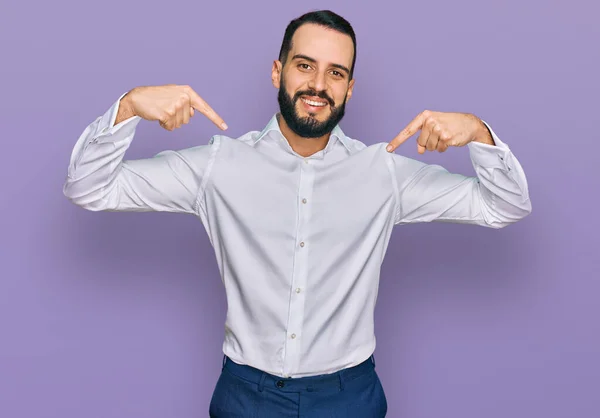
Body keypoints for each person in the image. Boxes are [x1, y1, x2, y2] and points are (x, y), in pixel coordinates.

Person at [62, 9, 532, 418]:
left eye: (336, 73)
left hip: (350, 397)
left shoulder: (383, 173)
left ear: (350, 88)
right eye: (305, 66)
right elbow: (89, 187)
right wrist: (128, 108)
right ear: (277, 71)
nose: (318, 86)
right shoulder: (218, 165)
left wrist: (477, 132)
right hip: (246, 396)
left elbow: (505, 203)